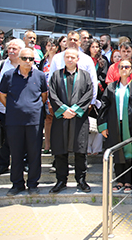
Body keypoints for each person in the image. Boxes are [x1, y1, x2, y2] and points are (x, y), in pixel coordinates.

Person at [0, 47, 48, 196]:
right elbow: (2, 96)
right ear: (18, 59)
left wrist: (31, 108)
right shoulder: (8, 75)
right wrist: (16, 108)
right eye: (25, 58)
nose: (28, 61)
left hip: (35, 121)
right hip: (14, 121)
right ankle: (17, 184)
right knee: (16, 153)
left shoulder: (39, 75)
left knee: (34, 154)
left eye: (31, 59)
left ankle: (33, 184)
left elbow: (44, 95)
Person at [47, 49, 95, 194]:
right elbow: (52, 94)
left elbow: (89, 94)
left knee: (80, 151)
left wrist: (74, 110)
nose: (69, 59)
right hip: (61, 118)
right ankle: (61, 180)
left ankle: (81, 180)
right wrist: (63, 110)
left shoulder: (85, 75)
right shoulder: (56, 75)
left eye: (72, 57)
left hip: (78, 119)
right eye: (67, 57)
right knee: (60, 151)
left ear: (77, 59)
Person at [98, 59, 132, 194]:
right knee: (117, 153)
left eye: (127, 67)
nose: (124, 69)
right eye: (121, 67)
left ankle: (129, 181)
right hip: (114, 125)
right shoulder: (111, 87)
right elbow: (104, 106)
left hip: (131, 126)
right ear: (118, 70)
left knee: (130, 153)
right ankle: (119, 180)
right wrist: (103, 126)